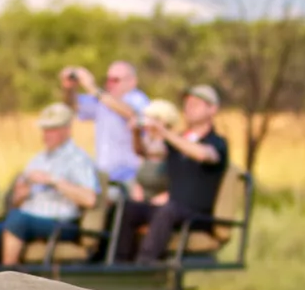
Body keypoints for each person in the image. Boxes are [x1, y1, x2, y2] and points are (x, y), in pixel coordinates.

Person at [115, 84, 228, 264]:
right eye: (187, 103)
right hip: (172, 210)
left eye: (196, 104)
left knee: (168, 210)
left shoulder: (217, 142)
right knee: (129, 208)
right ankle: (118, 263)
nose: (189, 108)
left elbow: (202, 154)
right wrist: (136, 132)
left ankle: (144, 264)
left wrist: (165, 133)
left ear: (212, 109)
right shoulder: (180, 139)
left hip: (196, 214)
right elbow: (145, 151)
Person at [1, 102, 101, 265]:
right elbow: (16, 202)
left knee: (16, 220)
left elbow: (89, 199)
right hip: (29, 216)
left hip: (60, 222)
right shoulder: (38, 159)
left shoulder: (78, 159)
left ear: (67, 130)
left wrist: (53, 180)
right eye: (44, 129)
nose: (46, 134)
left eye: (52, 129)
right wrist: (20, 194)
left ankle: (6, 282)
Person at [62, 62, 150, 188]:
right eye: (108, 79)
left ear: (132, 81)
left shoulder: (137, 98)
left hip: (130, 175)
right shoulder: (102, 100)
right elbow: (72, 107)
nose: (110, 84)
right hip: (104, 175)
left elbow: (131, 113)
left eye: (115, 80)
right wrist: (69, 89)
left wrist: (92, 88)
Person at [130, 98, 181, 203]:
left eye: (151, 118)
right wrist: (135, 133)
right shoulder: (149, 138)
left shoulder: (173, 141)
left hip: (164, 195)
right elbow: (139, 152)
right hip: (143, 191)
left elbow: (159, 153)